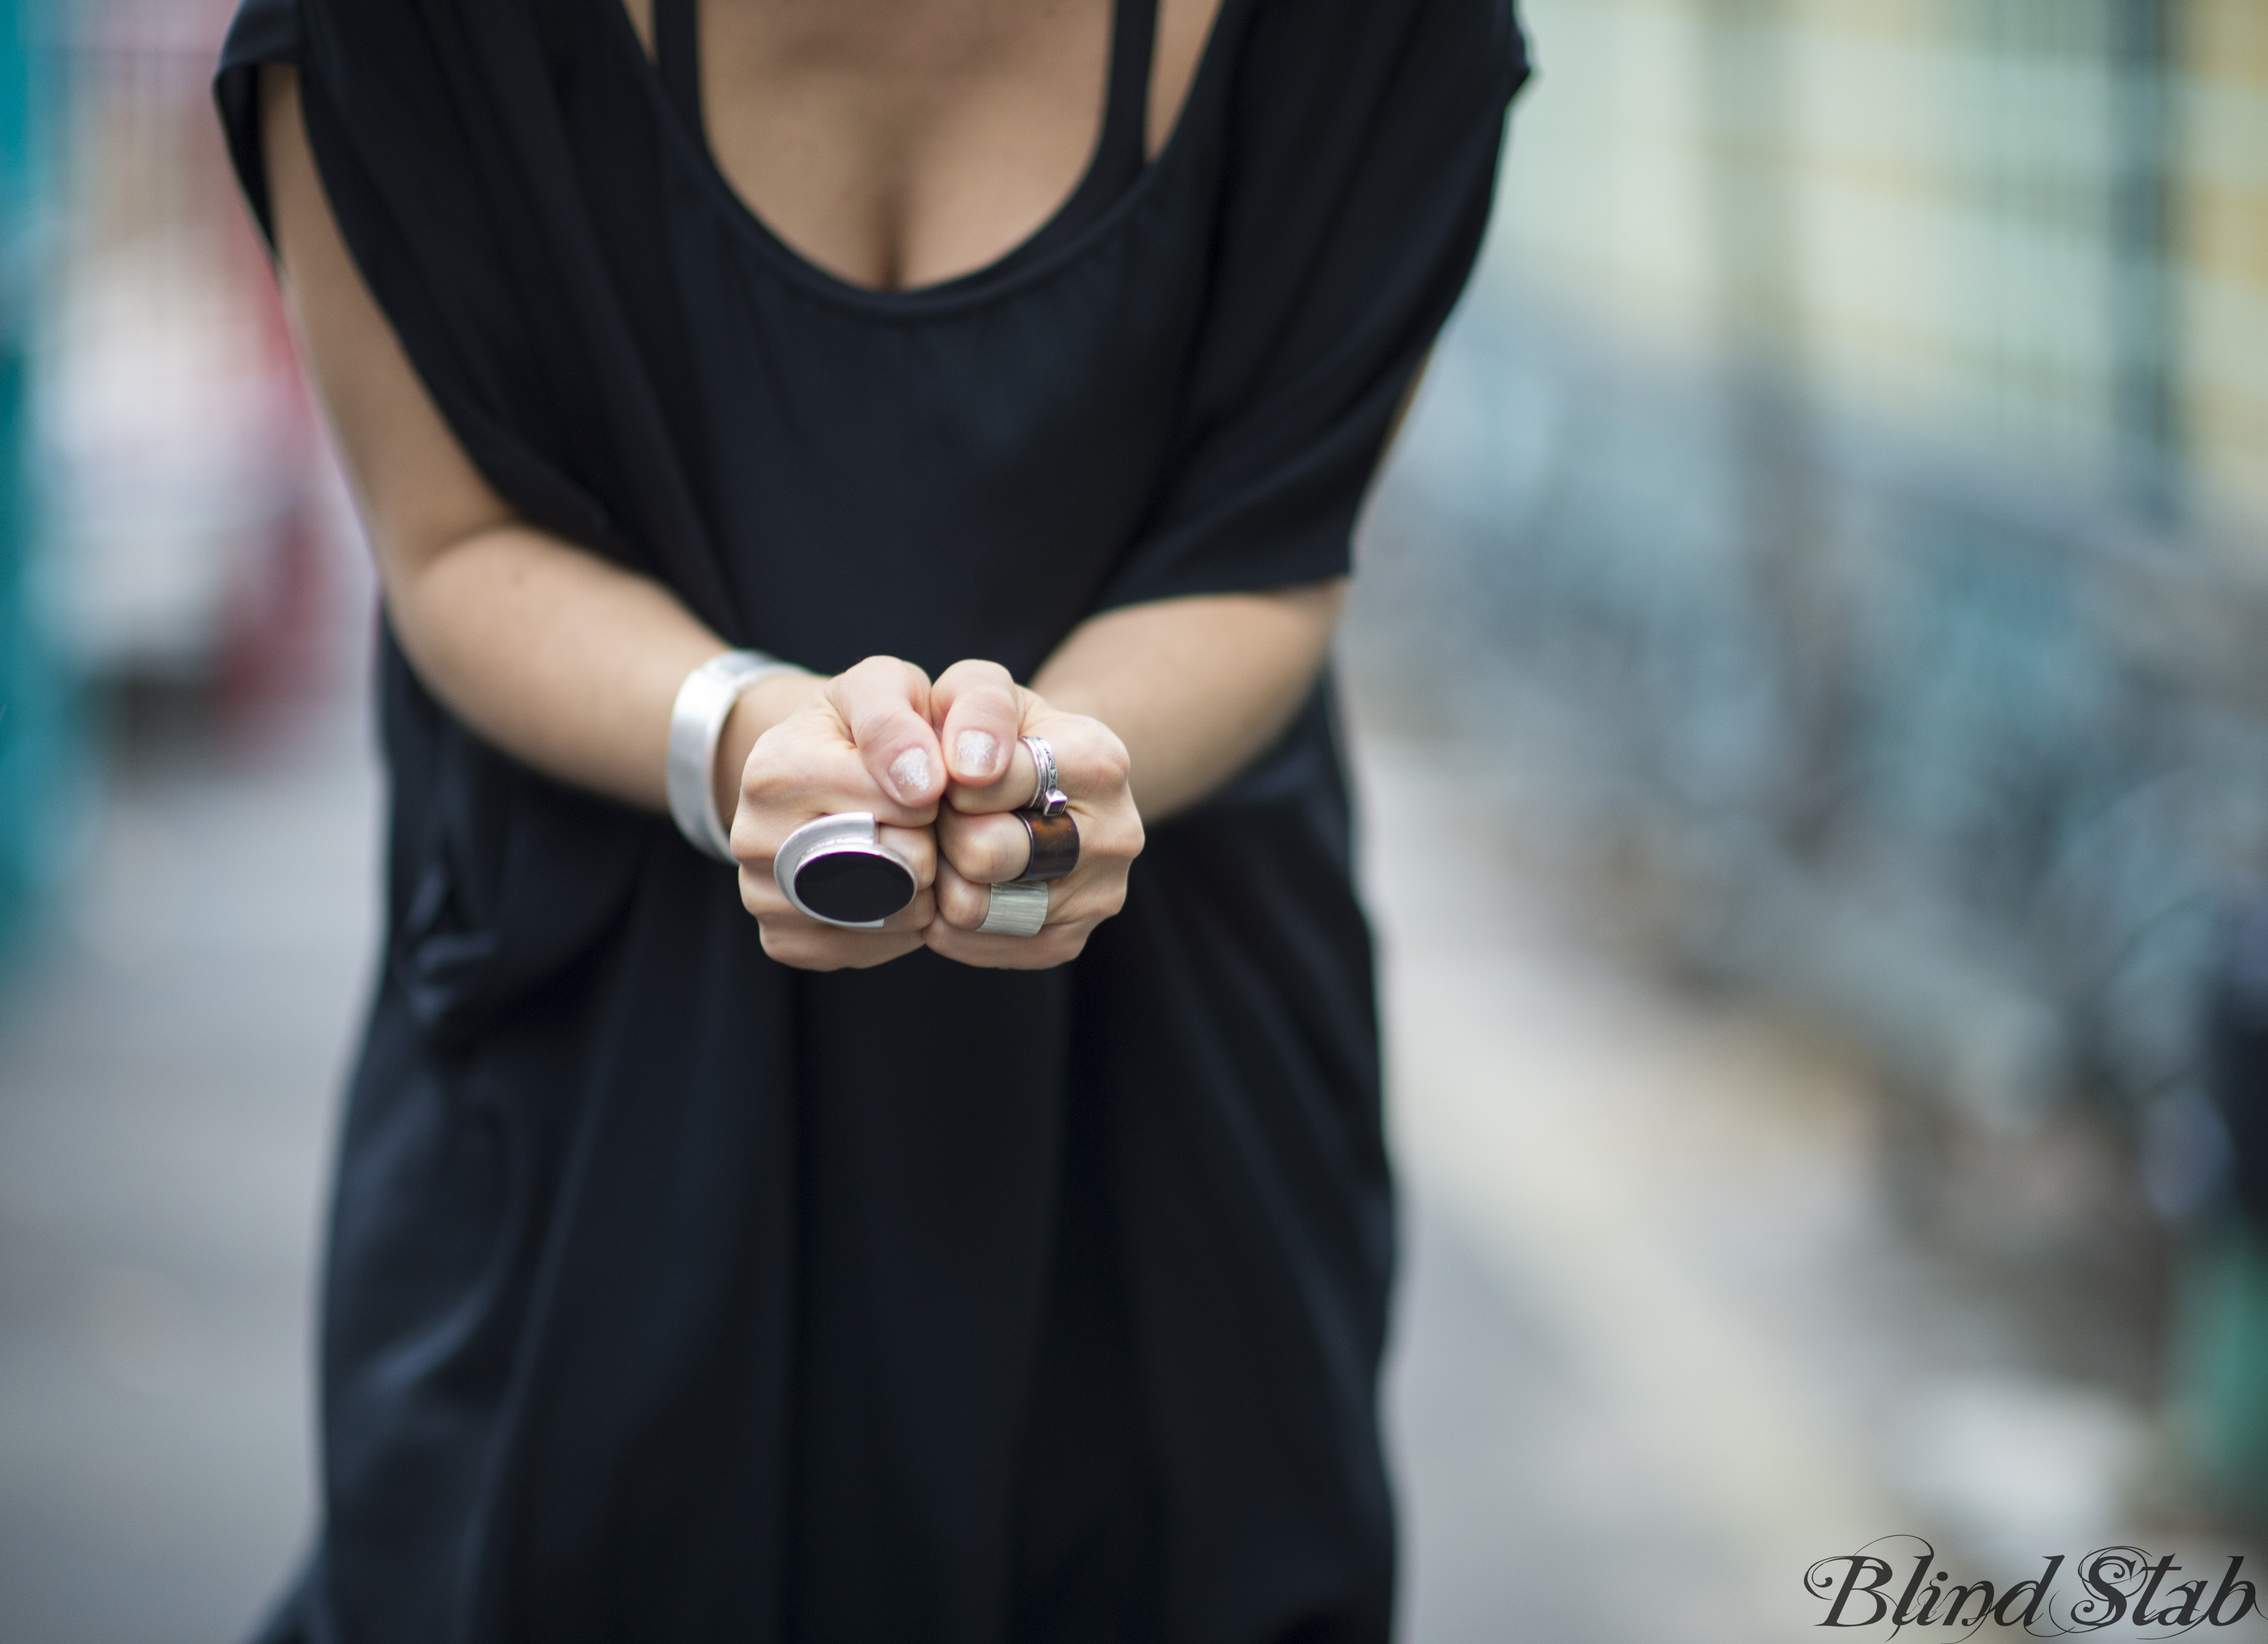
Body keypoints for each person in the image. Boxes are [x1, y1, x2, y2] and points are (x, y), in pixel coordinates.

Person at [214, 0, 1524, 1637]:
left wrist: (1054, 770)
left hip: (1163, 1124)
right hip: (593, 1098)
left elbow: (1269, 552)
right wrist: (737, 731)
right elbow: (453, 543)